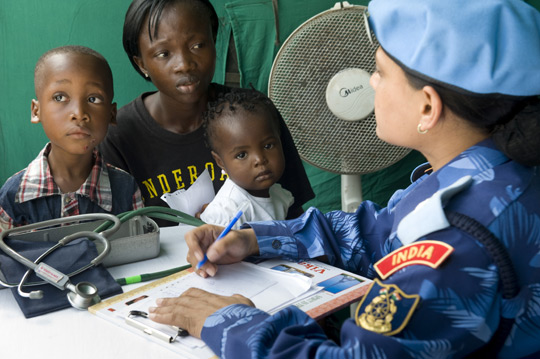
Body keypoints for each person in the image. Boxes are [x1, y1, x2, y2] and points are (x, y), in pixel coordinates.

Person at [146, 0, 540, 358]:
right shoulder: (494, 171)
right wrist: (255, 239)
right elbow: (376, 232)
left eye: (381, 72)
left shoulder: (457, 241)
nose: (368, 82)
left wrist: (234, 323)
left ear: (427, 106)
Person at [99, 0, 313, 226]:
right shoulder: (118, 135)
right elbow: (118, 236)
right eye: (163, 53)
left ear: (214, 42)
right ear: (141, 64)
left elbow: (294, 217)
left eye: (198, 45)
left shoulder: (253, 115)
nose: (184, 64)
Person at [0, 46, 144, 232]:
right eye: (60, 97)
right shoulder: (13, 196)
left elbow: (138, 253)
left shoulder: (126, 189)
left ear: (111, 114)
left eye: (93, 99)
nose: (79, 113)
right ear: (37, 111)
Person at [199, 89, 293, 228]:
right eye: (241, 155)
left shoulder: (279, 195)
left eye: (268, 146)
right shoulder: (228, 213)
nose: (259, 159)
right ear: (220, 162)